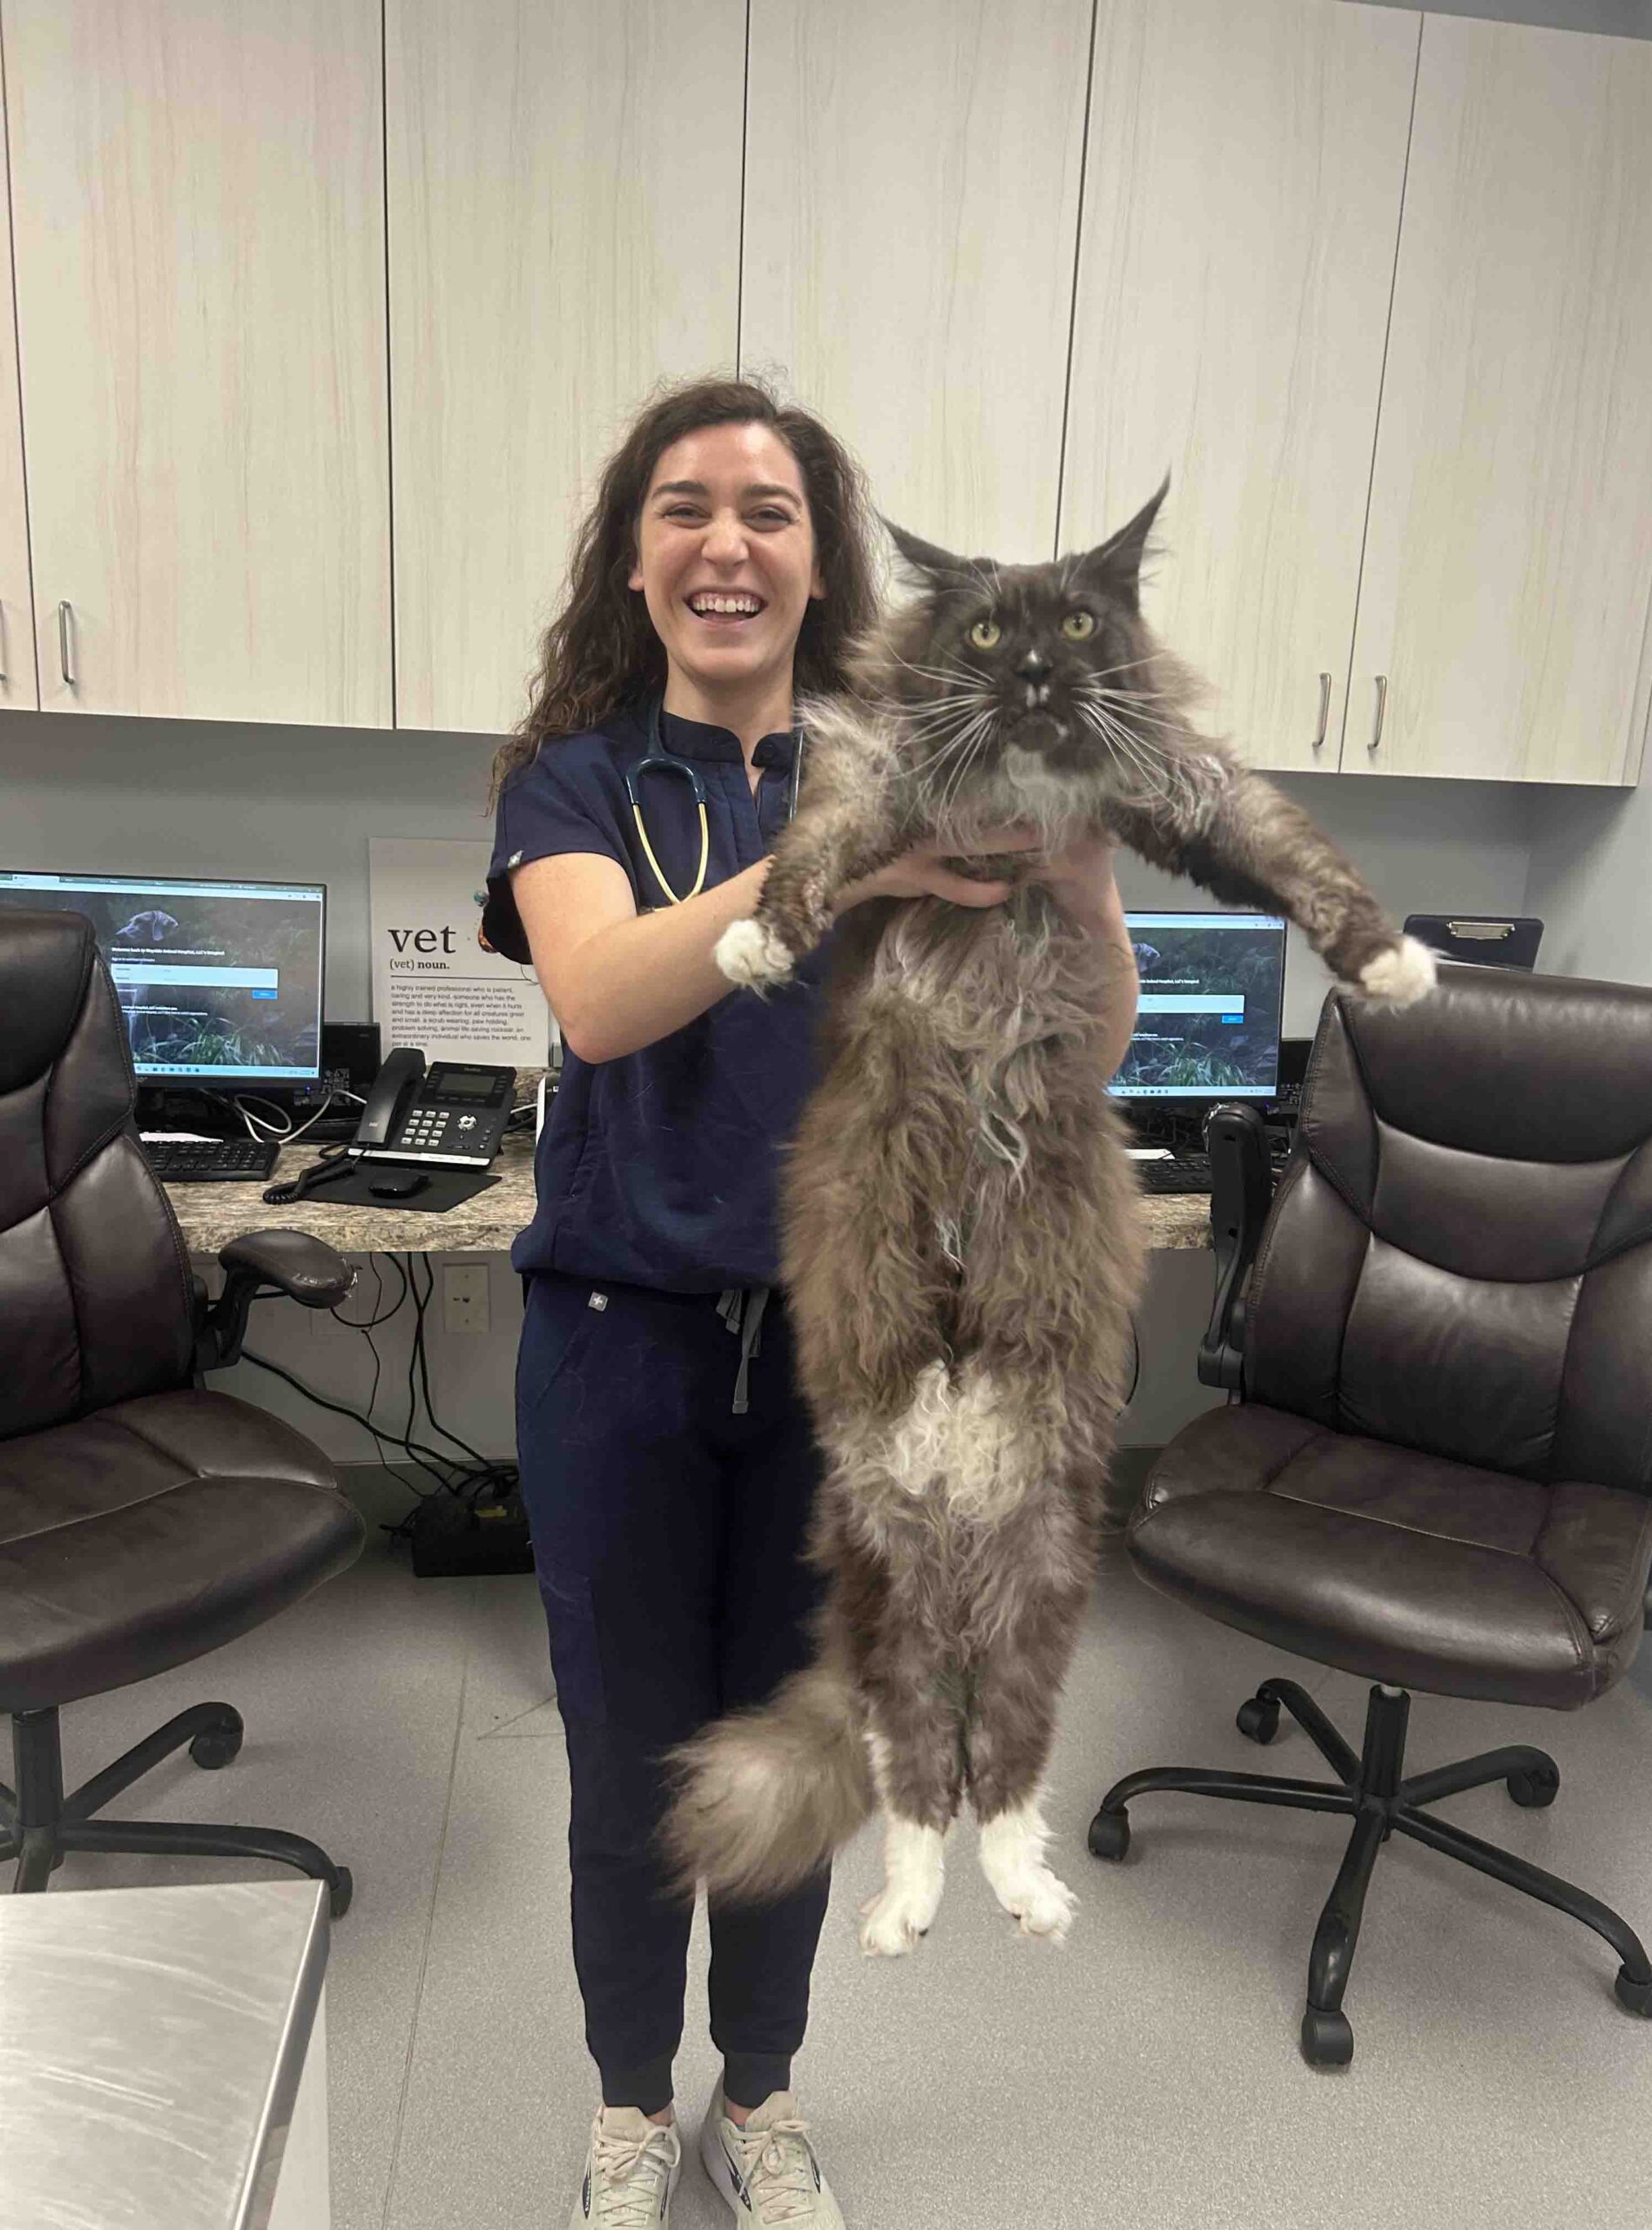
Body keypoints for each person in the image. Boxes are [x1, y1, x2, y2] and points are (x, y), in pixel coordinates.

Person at [482, 375, 1141, 2228]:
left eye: (771, 512)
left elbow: (1079, 1041)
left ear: (819, 559)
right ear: (635, 554)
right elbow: (602, 994)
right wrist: (836, 855)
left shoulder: (908, 774)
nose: (728, 543)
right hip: (616, 1351)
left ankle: (759, 2097)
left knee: (806, 1746)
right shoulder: (579, 779)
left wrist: (1077, 872)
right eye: (686, 506)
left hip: (853, 1366)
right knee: (631, 1769)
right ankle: (631, 2102)